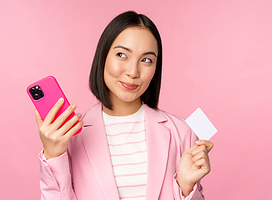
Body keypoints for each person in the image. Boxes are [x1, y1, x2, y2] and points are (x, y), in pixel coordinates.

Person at [35, 11, 213, 200]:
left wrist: (185, 187)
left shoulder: (183, 131)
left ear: (155, 68)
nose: (133, 71)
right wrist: (53, 154)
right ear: (103, 57)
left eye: (146, 60)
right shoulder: (69, 136)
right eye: (122, 55)